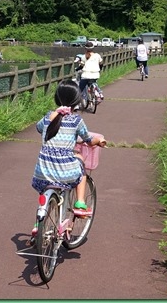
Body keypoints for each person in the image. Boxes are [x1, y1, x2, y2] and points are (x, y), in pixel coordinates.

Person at [29, 80, 106, 242]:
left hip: (42, 172)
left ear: (57, 99)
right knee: (79, 160)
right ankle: (79, 202)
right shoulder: (76, 121)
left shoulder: (48, 117)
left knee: (46, 191)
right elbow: (87, 139)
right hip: (65, 173)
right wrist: (99, 141)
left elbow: (39, 128)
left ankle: (39, 223)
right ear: (77, 101)